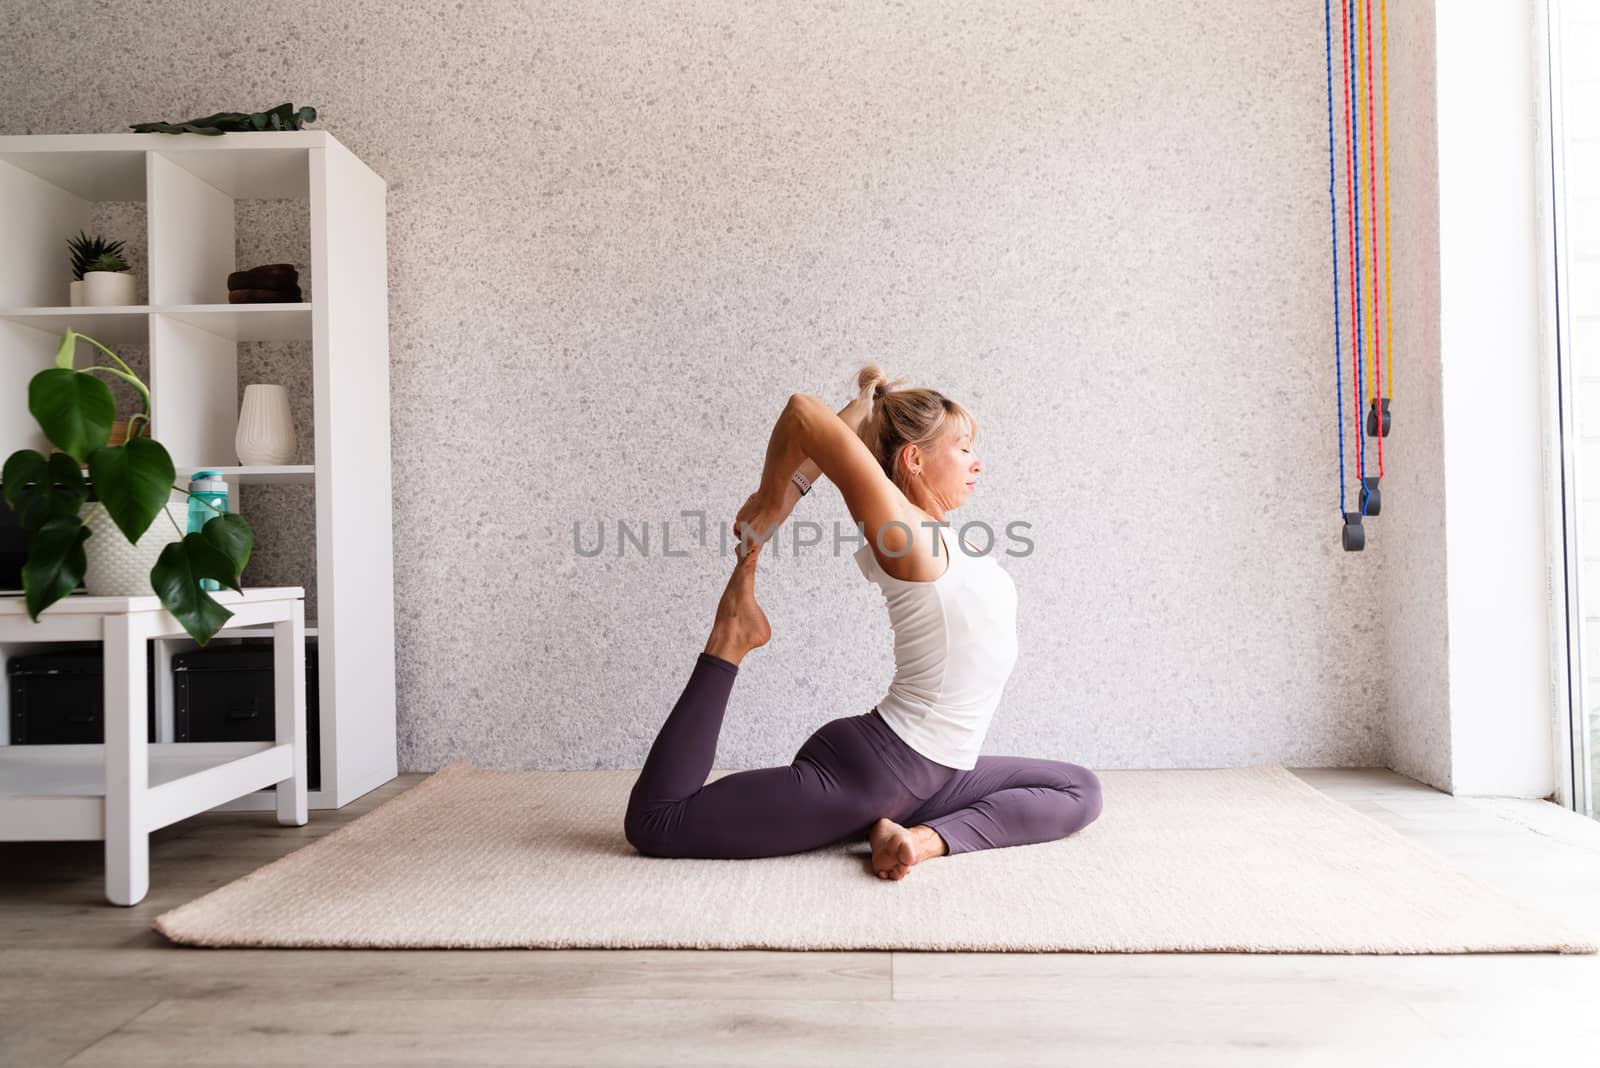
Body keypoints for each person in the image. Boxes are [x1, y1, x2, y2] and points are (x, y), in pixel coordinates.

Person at [623, 364, 1103, 879]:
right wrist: (769, 502)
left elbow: (829, 433)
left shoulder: (947, 538)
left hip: (938, 772)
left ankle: (911, 835)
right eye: (963, 448)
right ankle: (729, 640)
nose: (978, 463)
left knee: (1080, 790)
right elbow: (803, 413)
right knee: (657, 822)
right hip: (879, 769)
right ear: (914, 459)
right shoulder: (904, 533)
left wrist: (860, 411)